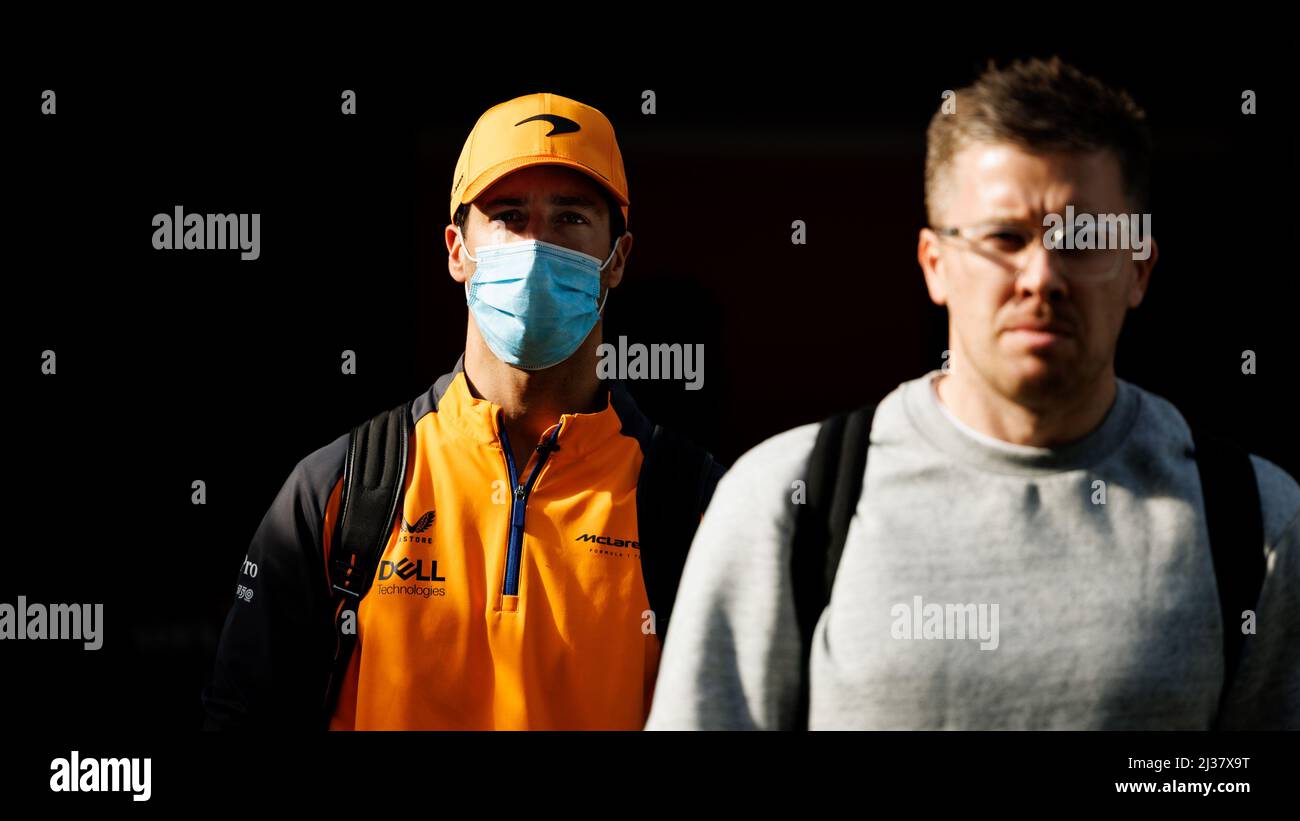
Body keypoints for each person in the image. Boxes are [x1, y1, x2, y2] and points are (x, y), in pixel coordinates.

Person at [645, 57, 1299, 730]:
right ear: (935, 263)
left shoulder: (1255, 523)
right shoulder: (785, 501)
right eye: (1004, 238)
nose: (1041, 276)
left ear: (1139, 268)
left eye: (1083, 238)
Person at [203, 92, 723, 730]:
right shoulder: (345, 488)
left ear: (617, 260)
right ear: (456, 249)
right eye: (508, 216)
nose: (536, 246)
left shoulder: (691, 503)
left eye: (569, 218)